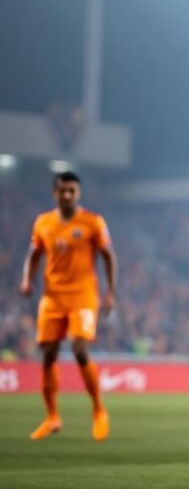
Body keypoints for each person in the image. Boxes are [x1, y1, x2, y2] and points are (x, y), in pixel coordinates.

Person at [20, 171, 117, 441]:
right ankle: (52, 417)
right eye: (63, 190)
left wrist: (110, 292)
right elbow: (34, 253)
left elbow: (108, 256)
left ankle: (99, 411)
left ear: (78, 193)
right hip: (52, 298)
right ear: (55, 193)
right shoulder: (43, 223)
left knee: (78, 348)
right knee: (49, 353)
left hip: (83, 295)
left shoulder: (92, 222)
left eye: (72, 190)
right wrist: (27, 279)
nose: (67, 195)